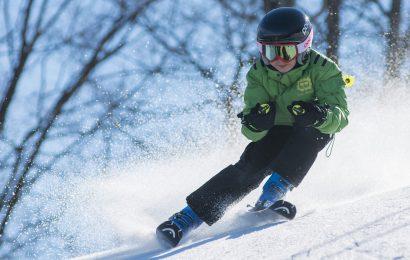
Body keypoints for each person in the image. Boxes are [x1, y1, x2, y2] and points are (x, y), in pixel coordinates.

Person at [156, 7, 349, 247]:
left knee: (316, 133)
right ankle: (186, 219)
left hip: (308, 128)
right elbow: (250, 130)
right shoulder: (258, 73)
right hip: (275, 130)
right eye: (269, 52)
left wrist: (319, 115)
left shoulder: (324, 69)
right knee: (250, 166)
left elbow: (341, 117)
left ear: (303, 48)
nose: (277, 60)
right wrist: (256, 122)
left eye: (286, 52)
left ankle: (274, 192)